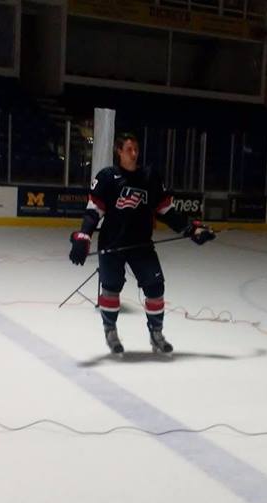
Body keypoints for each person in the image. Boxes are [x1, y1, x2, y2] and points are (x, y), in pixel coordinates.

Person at [69, 133, 216, 355]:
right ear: (119, 151)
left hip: (141, 245)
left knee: (155, 287)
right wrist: (84, 236)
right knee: (111, 288)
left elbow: (166, 211)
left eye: (136, 149)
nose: (134, 153)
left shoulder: (149, 177)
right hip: (112, 243)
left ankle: (156, 333)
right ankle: (111, 331)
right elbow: (93, 212)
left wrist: (191, 229)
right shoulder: (107, 177)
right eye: (129, 149)